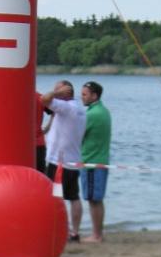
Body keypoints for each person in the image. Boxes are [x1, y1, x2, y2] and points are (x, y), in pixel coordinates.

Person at [42, 80, 86, 242]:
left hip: (58, 162)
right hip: (73, 161)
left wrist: (56, 94)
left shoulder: (66, 107)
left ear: (66, 92)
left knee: (55, 199)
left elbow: (44, 99)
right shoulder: (79, 109)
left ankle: (58, 232)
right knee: (73, 197)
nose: (54, 92)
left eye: (58, 90)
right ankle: (74, 232)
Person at [80, 81, 112, 243]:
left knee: (94, 200)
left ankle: (96, 235)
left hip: (92, 161)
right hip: (100, 160)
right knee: (96, 199)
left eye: (84, 94)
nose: (82, 97)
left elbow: (77, 135)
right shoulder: (103, 111)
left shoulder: (92, 114)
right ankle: (98, 233)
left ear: (94, 96)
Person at [34, 91, 53, 175]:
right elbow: (55, 112)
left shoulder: (14, 96)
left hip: (21, 147)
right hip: (39, 144)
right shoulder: (40, 97)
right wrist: (48, 128)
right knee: (40, 176)